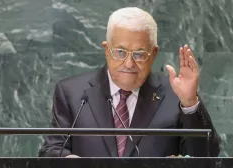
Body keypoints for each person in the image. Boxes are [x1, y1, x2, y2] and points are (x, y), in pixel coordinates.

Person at [39, 7, 220, 158]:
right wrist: (69, 161)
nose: (129, 63)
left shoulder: (175, 94)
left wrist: (189, 103)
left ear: (154, 54)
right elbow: (51, 151)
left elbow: (207, 157)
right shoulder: (71, 93)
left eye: (139, 54)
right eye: (120, 52)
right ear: (106, 50)